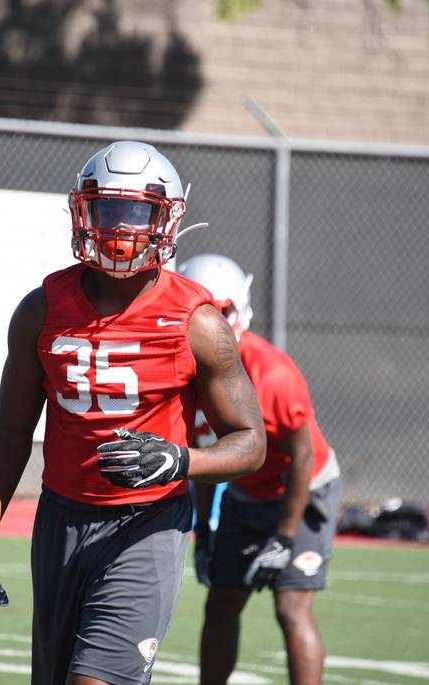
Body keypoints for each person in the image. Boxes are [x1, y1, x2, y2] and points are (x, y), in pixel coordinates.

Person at [0, 141, 267, 685]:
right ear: (83, 211)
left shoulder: (198, 321)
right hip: (61, 520)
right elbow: (10, 430)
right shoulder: (41, 310)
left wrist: (179, 461)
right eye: (108, 210)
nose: (121, 228)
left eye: (137, 212)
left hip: (146, 524)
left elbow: (250, 442)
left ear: (166, 219)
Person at [178, 254, 341, 685]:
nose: (211, 320)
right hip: (246, 490)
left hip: (302, 489)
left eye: (222, 309)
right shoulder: (179, 373)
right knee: (222, 602)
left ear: (241, 309)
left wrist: (285, 538)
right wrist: (204, 529)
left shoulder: (273, 374)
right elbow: (202, 456)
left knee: (290, 607)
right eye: (200, 309)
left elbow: (302, 458)